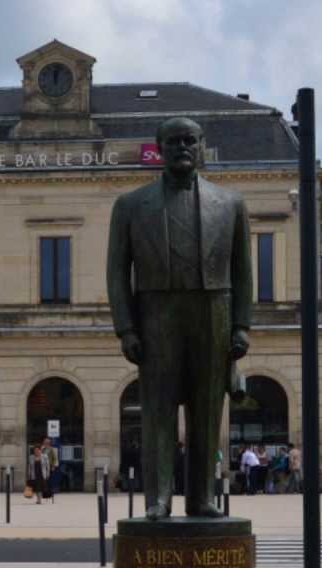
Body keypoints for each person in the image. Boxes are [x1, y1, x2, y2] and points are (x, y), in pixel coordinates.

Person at [107, 116, 253, 519]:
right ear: (160, 149)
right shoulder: (131, 206)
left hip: (214, 310)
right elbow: (117, 272)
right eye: (173, 141)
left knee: (208, 410)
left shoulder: (230, 204)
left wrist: (241, 325)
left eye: (190, 140)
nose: (182, 147)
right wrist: (126, 328)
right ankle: (158, 499)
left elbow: (242, 271)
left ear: (202, 145)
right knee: (158, 410)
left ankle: (202, 497)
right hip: (157, 311)